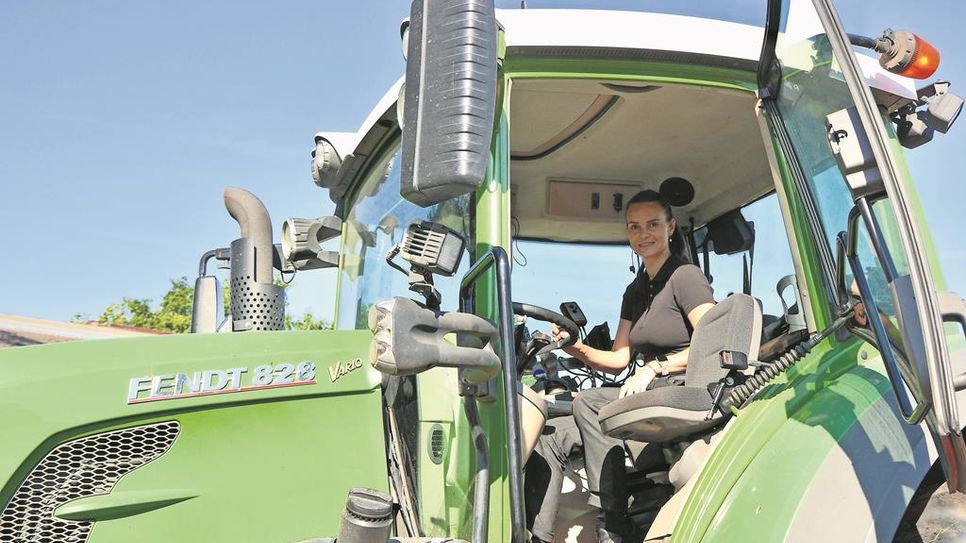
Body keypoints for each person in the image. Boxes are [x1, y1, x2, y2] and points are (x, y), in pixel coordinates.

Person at [525, 189, 715, 543]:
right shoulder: (636, 290)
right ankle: (536, 536)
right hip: (647, 389)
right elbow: (618, 360)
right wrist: (575, 345)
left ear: (671, 227)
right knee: (550, 432)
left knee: (590, 402)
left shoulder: (685, 276)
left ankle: (612, 523)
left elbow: (711, 342)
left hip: (680, 388)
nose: (644, 235)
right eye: (635, 227)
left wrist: (656, 367)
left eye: (653, 225)